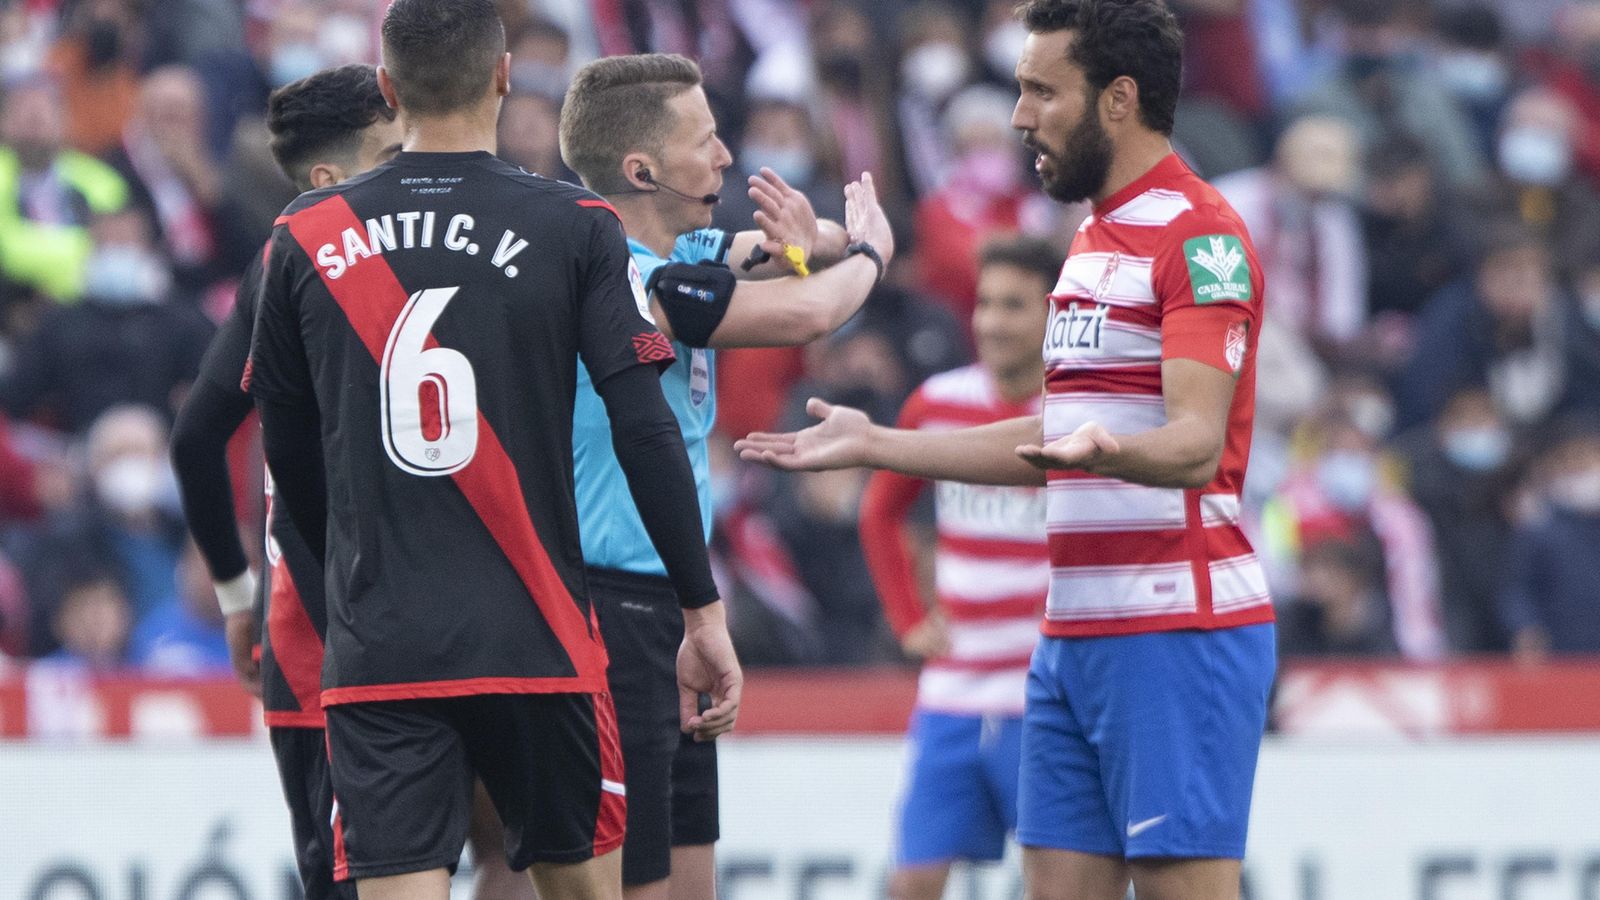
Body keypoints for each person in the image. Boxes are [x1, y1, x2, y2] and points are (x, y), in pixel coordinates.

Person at [737, 2, 1275, 898]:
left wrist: (1105, 451)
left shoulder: (1201, 235)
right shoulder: (1093, 240)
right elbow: (1051, 434)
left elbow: (1192, 445)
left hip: (1177, 631)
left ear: (1118, 99)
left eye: (1040, 91)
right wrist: (878, 443)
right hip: (1068, 638)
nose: (1020, 115)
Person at [247, 4, 741, 900]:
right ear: (506, 76)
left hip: (384, 649)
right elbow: (644, 425)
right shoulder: (577, 226)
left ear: (389, 91)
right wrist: (701, 613)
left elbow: (292, 465)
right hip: (540, 637)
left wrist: (350, 592)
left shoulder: (304, 237)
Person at [558, 52, 894, 900]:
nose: (724, 158)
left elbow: (789, 252)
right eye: (703, 142)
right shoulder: (622, 275)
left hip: (672, 606)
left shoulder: (686, 249)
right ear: (642, 170)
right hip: (606, 610)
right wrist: (873, 253)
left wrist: (813, 238)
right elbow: (809, 308)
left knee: (688, 877)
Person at [169, 63, 402, 900]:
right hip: (464, 624)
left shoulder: (282, 261)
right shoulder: (470, 245)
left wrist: (240, 599)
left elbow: (198, 438)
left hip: (323, 636)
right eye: (392, 151)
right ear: (327, 180)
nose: (413, 164)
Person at [858, 235, 1057, 900]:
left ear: (1055, 313)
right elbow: (881, 512)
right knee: (911, 883)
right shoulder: (938, 403)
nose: (992, 322)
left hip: (1045, 698)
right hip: (951, 694)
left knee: (1060, 884)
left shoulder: (1078, 416)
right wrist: (908, 620)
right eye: (984, 304)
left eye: (1013, 306)